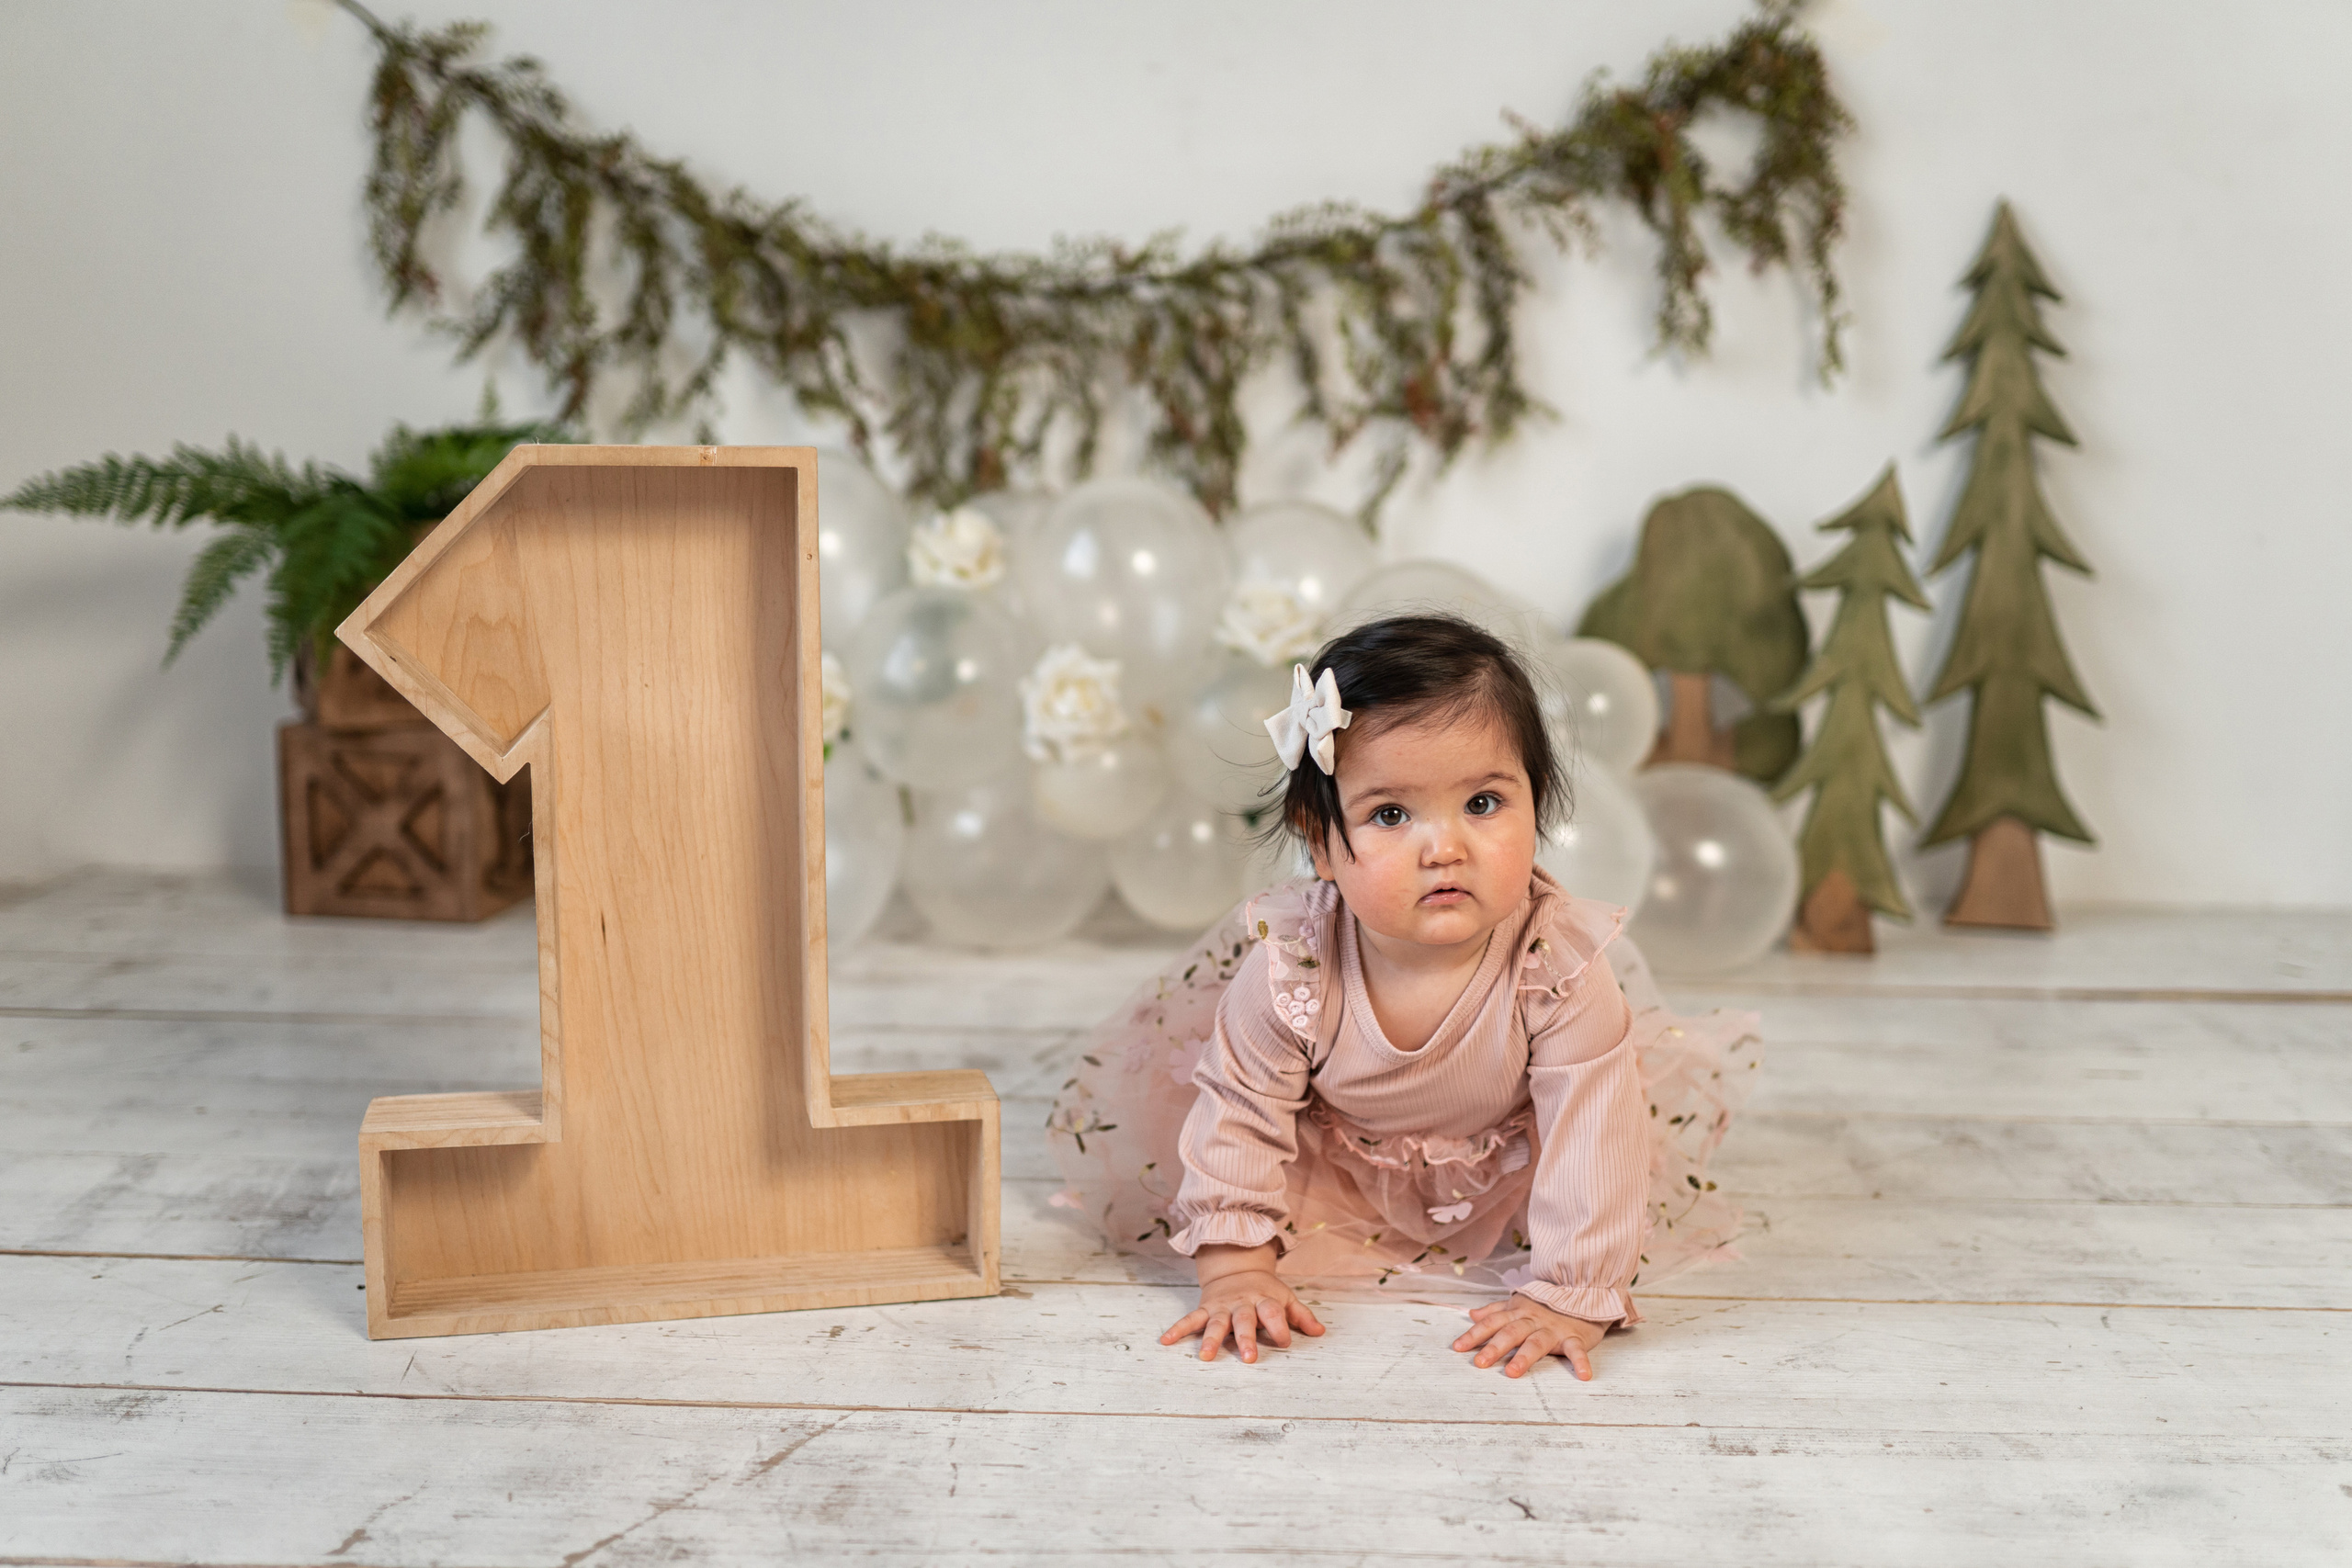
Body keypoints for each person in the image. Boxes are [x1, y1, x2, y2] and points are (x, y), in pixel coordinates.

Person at [1047, 614, 1758, 1379]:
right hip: (1335, 1163)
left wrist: (1572, 1293)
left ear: (1538, 802)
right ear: (1319, 840)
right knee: (1222, 1117)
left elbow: (1592, 1133)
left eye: (1484, 803)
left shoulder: (1557, 967)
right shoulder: (1296, 966)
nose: (1445, 846)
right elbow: (1242, 1113)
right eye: (1390, 814)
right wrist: (1237, 1266)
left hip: (1511, 1167)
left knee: (1601, 1133)